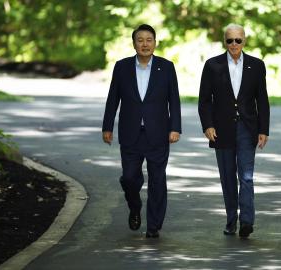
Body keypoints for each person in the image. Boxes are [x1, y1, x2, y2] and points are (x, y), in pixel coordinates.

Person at [102, 24, 181, 238]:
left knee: (157, 180)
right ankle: (134, 207)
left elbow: (174, 100)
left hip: (158, 134)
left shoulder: (166, 67)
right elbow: (112, 99)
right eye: (140, 40)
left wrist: (175, 128)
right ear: (134, 43)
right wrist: (107, 127)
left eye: (149, 39)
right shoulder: (122, 67)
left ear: (155, 43)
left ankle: (153, 226)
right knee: (129, 178)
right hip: (131, 134)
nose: (145, 44)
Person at [198, 24, 270, 238]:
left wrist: (263, 129)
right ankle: (231, 220)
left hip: (248, 128)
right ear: (224, 41)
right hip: (221, 130)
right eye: (230, 40)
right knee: (228, 177)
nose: (234, 44)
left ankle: (247, 221)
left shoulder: (257, 65)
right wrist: (207, 125)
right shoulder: (213, 65)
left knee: (246, 176)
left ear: (244, 41)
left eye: (238, 40)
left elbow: (262, 100)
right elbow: (204, 101)